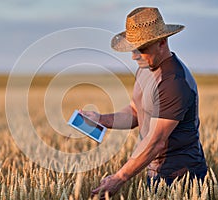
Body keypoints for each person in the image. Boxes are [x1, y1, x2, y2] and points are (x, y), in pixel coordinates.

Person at [81, 7, 207, 199]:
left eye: (141, 49)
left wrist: (119, 178)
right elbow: (134, 111)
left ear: (162, 43)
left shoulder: (173, 82)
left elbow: (156, 141)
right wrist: (100, 119)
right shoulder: (146, 67)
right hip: (155, 172)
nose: (134, 56)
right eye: (133, 49)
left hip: (181, 179)